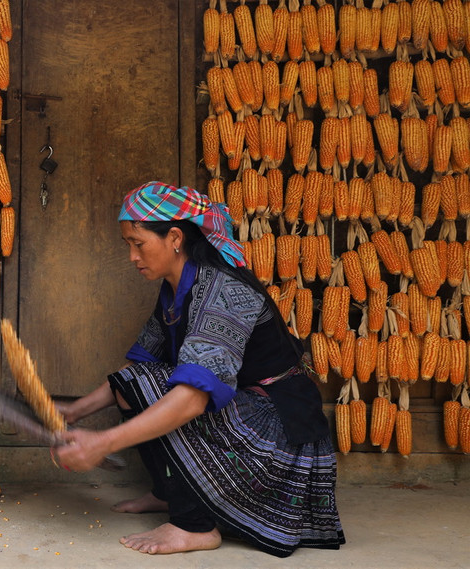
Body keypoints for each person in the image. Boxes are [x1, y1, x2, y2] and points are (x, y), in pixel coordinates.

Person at [53, 181, 345, 558]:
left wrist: (103, 442)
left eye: (137, 243)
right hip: (244, 415)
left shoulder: (223, 289)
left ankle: (195, 527)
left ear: (174, 237)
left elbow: (193, 399)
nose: (131, 256)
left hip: (280, 437)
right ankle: (169, 492)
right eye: (128, 244)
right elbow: (136, 370)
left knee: (163, 388)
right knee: (139, 381)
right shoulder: (176, 288)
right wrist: (72, 413)